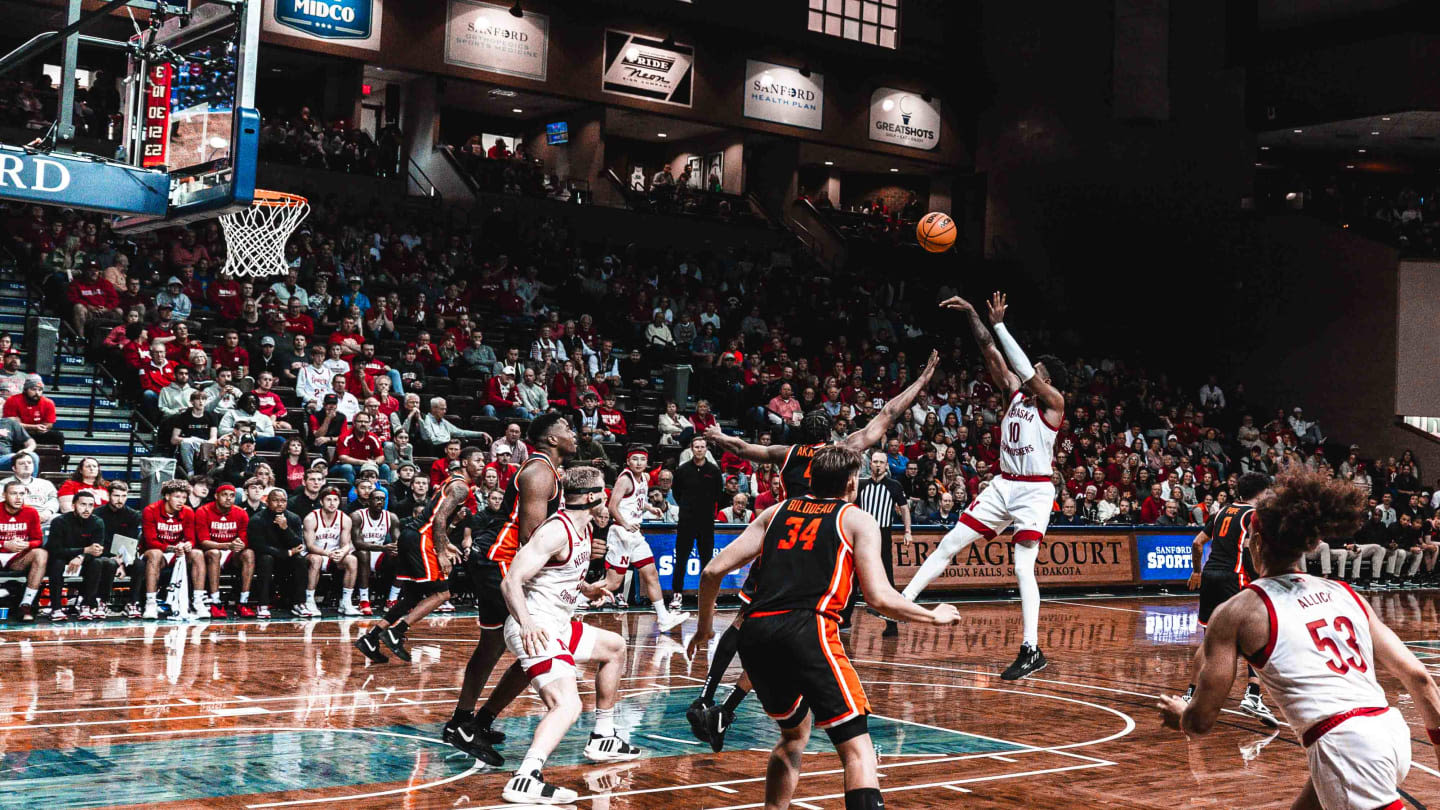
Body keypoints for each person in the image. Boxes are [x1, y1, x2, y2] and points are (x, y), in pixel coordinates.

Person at [689, 446, 960, 805]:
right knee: (858, 751)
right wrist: (932, 615)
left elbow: (711, 572)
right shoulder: (856, 519)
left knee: (793, 735)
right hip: (809, 630)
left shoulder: (776, 512)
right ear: (851, 482)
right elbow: (878, 598)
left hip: (756, 635)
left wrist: (705, 629)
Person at [694, 349, 940, 740]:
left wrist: (718, 436)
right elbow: (886, 417)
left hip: (781, 538)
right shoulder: (840, 456)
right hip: (825, 545)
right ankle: (759, 702)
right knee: (815, 630)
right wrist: (921, 382)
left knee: (749, 622)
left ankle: (711, 699)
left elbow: (742, 450)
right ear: (830, 440)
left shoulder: (786, 453)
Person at [1158, 469, 1440, 810]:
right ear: (1308, 544)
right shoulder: (1344, 592)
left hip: (1345, 743)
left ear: (1255, 543)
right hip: (1389, 731)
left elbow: (1201, 722)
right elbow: (1421, 680)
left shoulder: (1238, 611)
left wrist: (1182, 717)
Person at [899, 294, 1065, 681]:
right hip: (1004, 484)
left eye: (1037, 371)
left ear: (1047, 380)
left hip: (1035, 491)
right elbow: (990, 349)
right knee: (950, 543)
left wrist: (1003, 324)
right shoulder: (1014, 392)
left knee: (1023, 567)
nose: (1028, 373)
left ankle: (1031, 648)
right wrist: (976, 316)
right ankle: (903, 601)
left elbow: (1023, 368)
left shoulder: (1054, 403)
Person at [497, 464, 638, 804]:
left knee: (615, 647)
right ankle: (526, 777)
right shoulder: (556, 531)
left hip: (558, 623)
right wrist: (528, 623)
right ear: (591, 497)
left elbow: (557, 576)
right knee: (567, 704)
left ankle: (603, 735)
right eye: (604, 492)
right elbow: (510, 581)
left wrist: (587, 589)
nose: (608, 498)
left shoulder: (584, 528)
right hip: (535, 625)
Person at [445, 414, 575, 765]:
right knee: (534, 641)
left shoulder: (549, 470)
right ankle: (472, 721)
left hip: (495, 559)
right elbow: (532, 539)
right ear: (550, 438)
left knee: (493, 645)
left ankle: (466, 721)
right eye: (566, 429)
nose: (573, 434)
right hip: (500, 560)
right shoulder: (539, 472)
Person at [356, 447, 482, 667]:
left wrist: (447, 544)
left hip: (413, 536)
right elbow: (439, 519)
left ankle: (372, 637)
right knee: (443, 593)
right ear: (464, 463)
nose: (482, 464)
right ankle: (397, 631)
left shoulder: (453, 481)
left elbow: (437, 516)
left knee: (413, 595)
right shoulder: (461, 487)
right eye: (478, 460)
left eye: (483, 460)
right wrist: (442, 552)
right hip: (421, 538)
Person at [1183, 471, 1279, 725]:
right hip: (1233, 577)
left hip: (1211, 575)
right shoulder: (1253, 515)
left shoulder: (1221, 512)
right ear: (1261, 493)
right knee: (1259, 635)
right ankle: (1253, 695)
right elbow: (1249, 548)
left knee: (1209, 640)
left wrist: (1196, 571)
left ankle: (1191, 694)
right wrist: (1259, 575)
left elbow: (1196, 543)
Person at [598, 447, 688, 630]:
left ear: (647, 463)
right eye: (635, 459)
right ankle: (579, 596)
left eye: (642, 459)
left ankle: (663, 618)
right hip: (621, 534)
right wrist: (625, 524)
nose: (639, 462)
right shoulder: (624, 479)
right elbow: (612, 506)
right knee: (613, 583)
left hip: (635, 535)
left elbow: (636, 500)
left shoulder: (644, 479)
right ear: (628, 462)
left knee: (651, 574)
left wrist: (649, 508)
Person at [853, 449, 913, 637]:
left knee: (887, 579)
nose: (878, 465)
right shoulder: (860, 485)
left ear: (887, 465)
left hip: (883, 534)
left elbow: (904, 509)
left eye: (881, 462)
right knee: (854, 577)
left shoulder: (894, 485)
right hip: (862, 535)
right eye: (875, 461)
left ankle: (891, 623)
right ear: (870, 464)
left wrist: (908, 531)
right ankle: (843, 619)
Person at [669, 437, 724, 610]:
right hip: (686, 521)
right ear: (691, 449)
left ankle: (706, 596)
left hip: (706, 522)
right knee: (681, 559)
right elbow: (676, 493)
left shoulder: (714, 471)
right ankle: (677, 594)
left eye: (702, 447)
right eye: (696, 447)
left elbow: (718, 494)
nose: (699, 450)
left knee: (707, 560)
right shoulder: (682, 470)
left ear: (706, 449)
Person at [137, 480, 202, 620]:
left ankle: (198, 601)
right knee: (156, 554)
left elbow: (191, 538)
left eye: (184, 497)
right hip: (153, 552)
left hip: (176, 553)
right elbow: (150, 541)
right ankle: (151, 603)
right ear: (167, 496)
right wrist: (171, 547)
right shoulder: (150, 510)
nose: (181, 501)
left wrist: (188, 545)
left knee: (197, 553)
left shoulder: (189, 512)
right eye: (177, 497)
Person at [43, 490, 111, 620]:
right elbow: (55, 550)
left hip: (84, 559)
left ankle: (86, 605)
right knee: (57, 563)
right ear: (73, 505)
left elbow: (96, 550)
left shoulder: (98, 522)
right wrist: (84, 550)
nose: (87, 509)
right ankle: (56, 608)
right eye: (83, 504)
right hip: (60, 557)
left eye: (90, 505)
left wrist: (81, 556)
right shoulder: (59, 521)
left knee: (97, 562)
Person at [195, 483, 255, 618]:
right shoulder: (203, 511)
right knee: (214, 553)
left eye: (232, 496)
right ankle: (215, 602)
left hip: (231, 552)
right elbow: (204, 542)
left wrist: (240, 544)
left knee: (249, 553)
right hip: (211, 552)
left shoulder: (241, 512)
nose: (228, 498)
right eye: (224, 495)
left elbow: (244, 538)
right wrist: (228, 545)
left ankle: (243, 602)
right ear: (216, 496)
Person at [248, 488, 306, 618]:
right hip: (265, 558)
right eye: (275, 500)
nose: (280, 504)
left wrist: (285, 528)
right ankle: (262, 605)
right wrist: (287, 553)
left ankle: (299, 603)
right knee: (266, 559)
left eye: (283, 501)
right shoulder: (257, 519)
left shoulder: (293, 518)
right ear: (267, 502)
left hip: (285, 558)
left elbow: (298, 544)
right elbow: (259, 546)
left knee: (300, 560)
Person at [300, 488, 358, 617]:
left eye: (335, 500)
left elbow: (346, 544)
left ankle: (346, 602)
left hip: (333, 555)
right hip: (312, 554)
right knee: (317, 559)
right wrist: (328, 553)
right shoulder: (311, 518)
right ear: (321, 502)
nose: (332, 503)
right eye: (328, 499)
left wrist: (342, 552)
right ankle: (309, 600)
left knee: (352, 560)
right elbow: (310, 546)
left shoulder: (345, 519)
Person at [0, 481, 47, 621]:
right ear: (4, 495)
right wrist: (4, 544)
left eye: (22, 494)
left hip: (18, 556)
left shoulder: (31, 512)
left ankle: (26, 604)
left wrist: (27, 544)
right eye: (14, 493)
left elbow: (38, 540)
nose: (18, 497)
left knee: (41, 553)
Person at [350, 488, 398, 617]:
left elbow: (397, 542)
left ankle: (392, 599)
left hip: (378, 553)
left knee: (401, 556)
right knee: (364, 553)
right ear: (368, 501)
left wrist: (396, 548)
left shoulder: (391, 517)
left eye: (383, 499)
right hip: (356, 553)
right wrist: (383, 548)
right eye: (377, 498)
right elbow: (357, 543)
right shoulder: (357, 516)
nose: (380, 501)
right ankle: (364, 600)